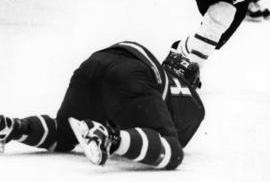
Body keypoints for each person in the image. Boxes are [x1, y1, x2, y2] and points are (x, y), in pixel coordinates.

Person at [0, 41, 204, 170]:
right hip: (131, 74)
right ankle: (110, 139)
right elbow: (163, 140)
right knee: (173, 152)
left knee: (63, 134)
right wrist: (120, 135)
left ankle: (14, 127)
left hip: (96, 62)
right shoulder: (192, 102)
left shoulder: (164, 77)